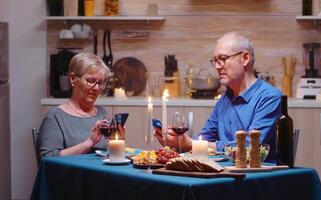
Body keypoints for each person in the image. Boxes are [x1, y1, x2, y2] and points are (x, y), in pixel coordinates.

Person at [154, 32, 282, 162]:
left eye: (223, 58)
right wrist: (177, 141)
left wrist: (193, 144)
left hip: (257, 176)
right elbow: (204, 139)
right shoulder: (225, 99)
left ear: (245, 58)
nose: (217, 66)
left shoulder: (270, 97)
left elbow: (249, 148)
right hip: (224, 172)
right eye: (215, 60)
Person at [38, 52, 124, 159]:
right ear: (73, 79)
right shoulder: (55, 116)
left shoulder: (102, 114)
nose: (97, 88)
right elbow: (47, 159)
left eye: (100, 82)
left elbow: (110, 157)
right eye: (91, 81)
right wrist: (89, 142)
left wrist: (119, 141)